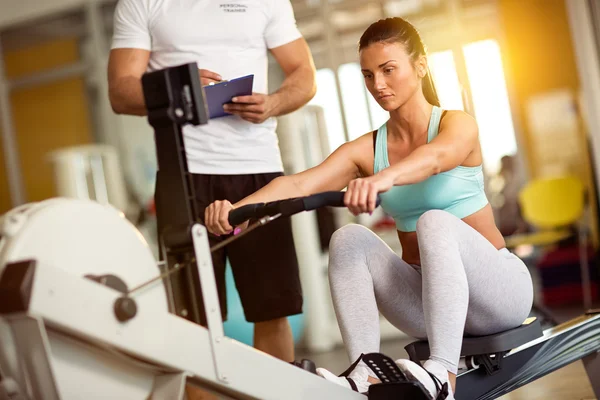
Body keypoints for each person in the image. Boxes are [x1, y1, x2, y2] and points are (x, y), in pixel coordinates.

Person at [205, 17, 534, 399]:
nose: (378, 85)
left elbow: (434, 158)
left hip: (499, 294)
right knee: (347, 239)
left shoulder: (456, 125)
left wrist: (382, 179)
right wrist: (234, 210)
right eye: (368, 75)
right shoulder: (368, 148)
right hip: (429, 305)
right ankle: (364, 372)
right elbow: (299, 183)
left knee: (434, 222)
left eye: (388, 70)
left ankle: (443, 373)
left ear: (420, 66)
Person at [107, 0, 317, 363]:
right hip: (182, 175)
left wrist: (274, 102)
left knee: (272, 308)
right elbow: (120, 90)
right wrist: (176, 88)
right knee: (192, 317)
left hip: (258, 170)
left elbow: (304, 74)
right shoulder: (141, 2)